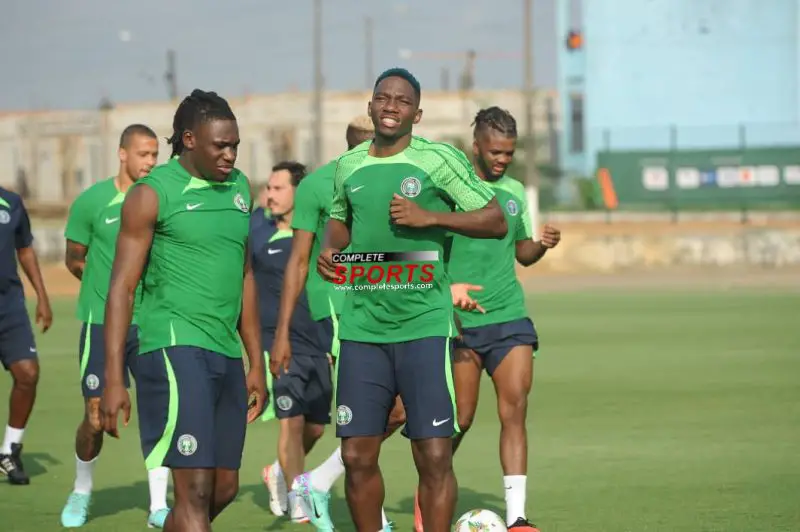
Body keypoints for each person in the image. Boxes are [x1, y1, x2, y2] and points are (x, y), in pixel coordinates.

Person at [316, 68, 508, 532]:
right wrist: (331, 248)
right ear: (370, 106)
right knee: (356, 455)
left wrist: (429, 217)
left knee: (434, 455)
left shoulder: (438, 160)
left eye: (402, 101)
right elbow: (339, 220)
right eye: (383, 98)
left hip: (423, 326)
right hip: (362, 328)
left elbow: (495, 219)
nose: (391, 106)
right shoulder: (348, 165)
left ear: (417, 114)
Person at [101, 89, 267, 532]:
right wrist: (114, 376)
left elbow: (246, 275)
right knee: (193, 493)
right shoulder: (151, 194)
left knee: (224, 487)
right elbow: (121, 288)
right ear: (189, 140)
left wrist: (256, 361)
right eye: (221, 146)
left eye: (235, 145)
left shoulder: (239, 187)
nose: (230, 155)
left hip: (225, 352)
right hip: (173, 347)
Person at [265, 116, 406, 531]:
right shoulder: (317, 186)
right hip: (338, 309)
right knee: (373, 408)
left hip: (382, 304)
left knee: (397, 410)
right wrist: (281, 334)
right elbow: (299, 260)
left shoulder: (392, 179)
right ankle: (369, 514)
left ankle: (319, 480)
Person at [446, 107, 562, 532]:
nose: (502, 159)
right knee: (460, 418)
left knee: (515, 410)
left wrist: (542, 244)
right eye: (495, 151)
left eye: (509, 152)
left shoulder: (513, 192)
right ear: (475, 146)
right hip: (459, 323)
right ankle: (432, 492)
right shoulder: (450, 190)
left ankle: (517, 518)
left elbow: (523, 254)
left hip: (509, 316)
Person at [60, 124, 171, 529]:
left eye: (155, 154)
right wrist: (104, 291)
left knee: (159, 411)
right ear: (122, 153)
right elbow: (74, 257)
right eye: (144, 154)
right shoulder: (92, 201)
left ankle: (158, 505)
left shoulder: (160, 199)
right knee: (96, 418)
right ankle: (81, 490)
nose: (151, 162)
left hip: (150, 324)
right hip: (100, 323)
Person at [0, 186, 52, 485]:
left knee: (28, 373)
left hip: (9, 307)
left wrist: (42, 296)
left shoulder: (11, 202)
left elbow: (25, 250)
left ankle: (9, 451)